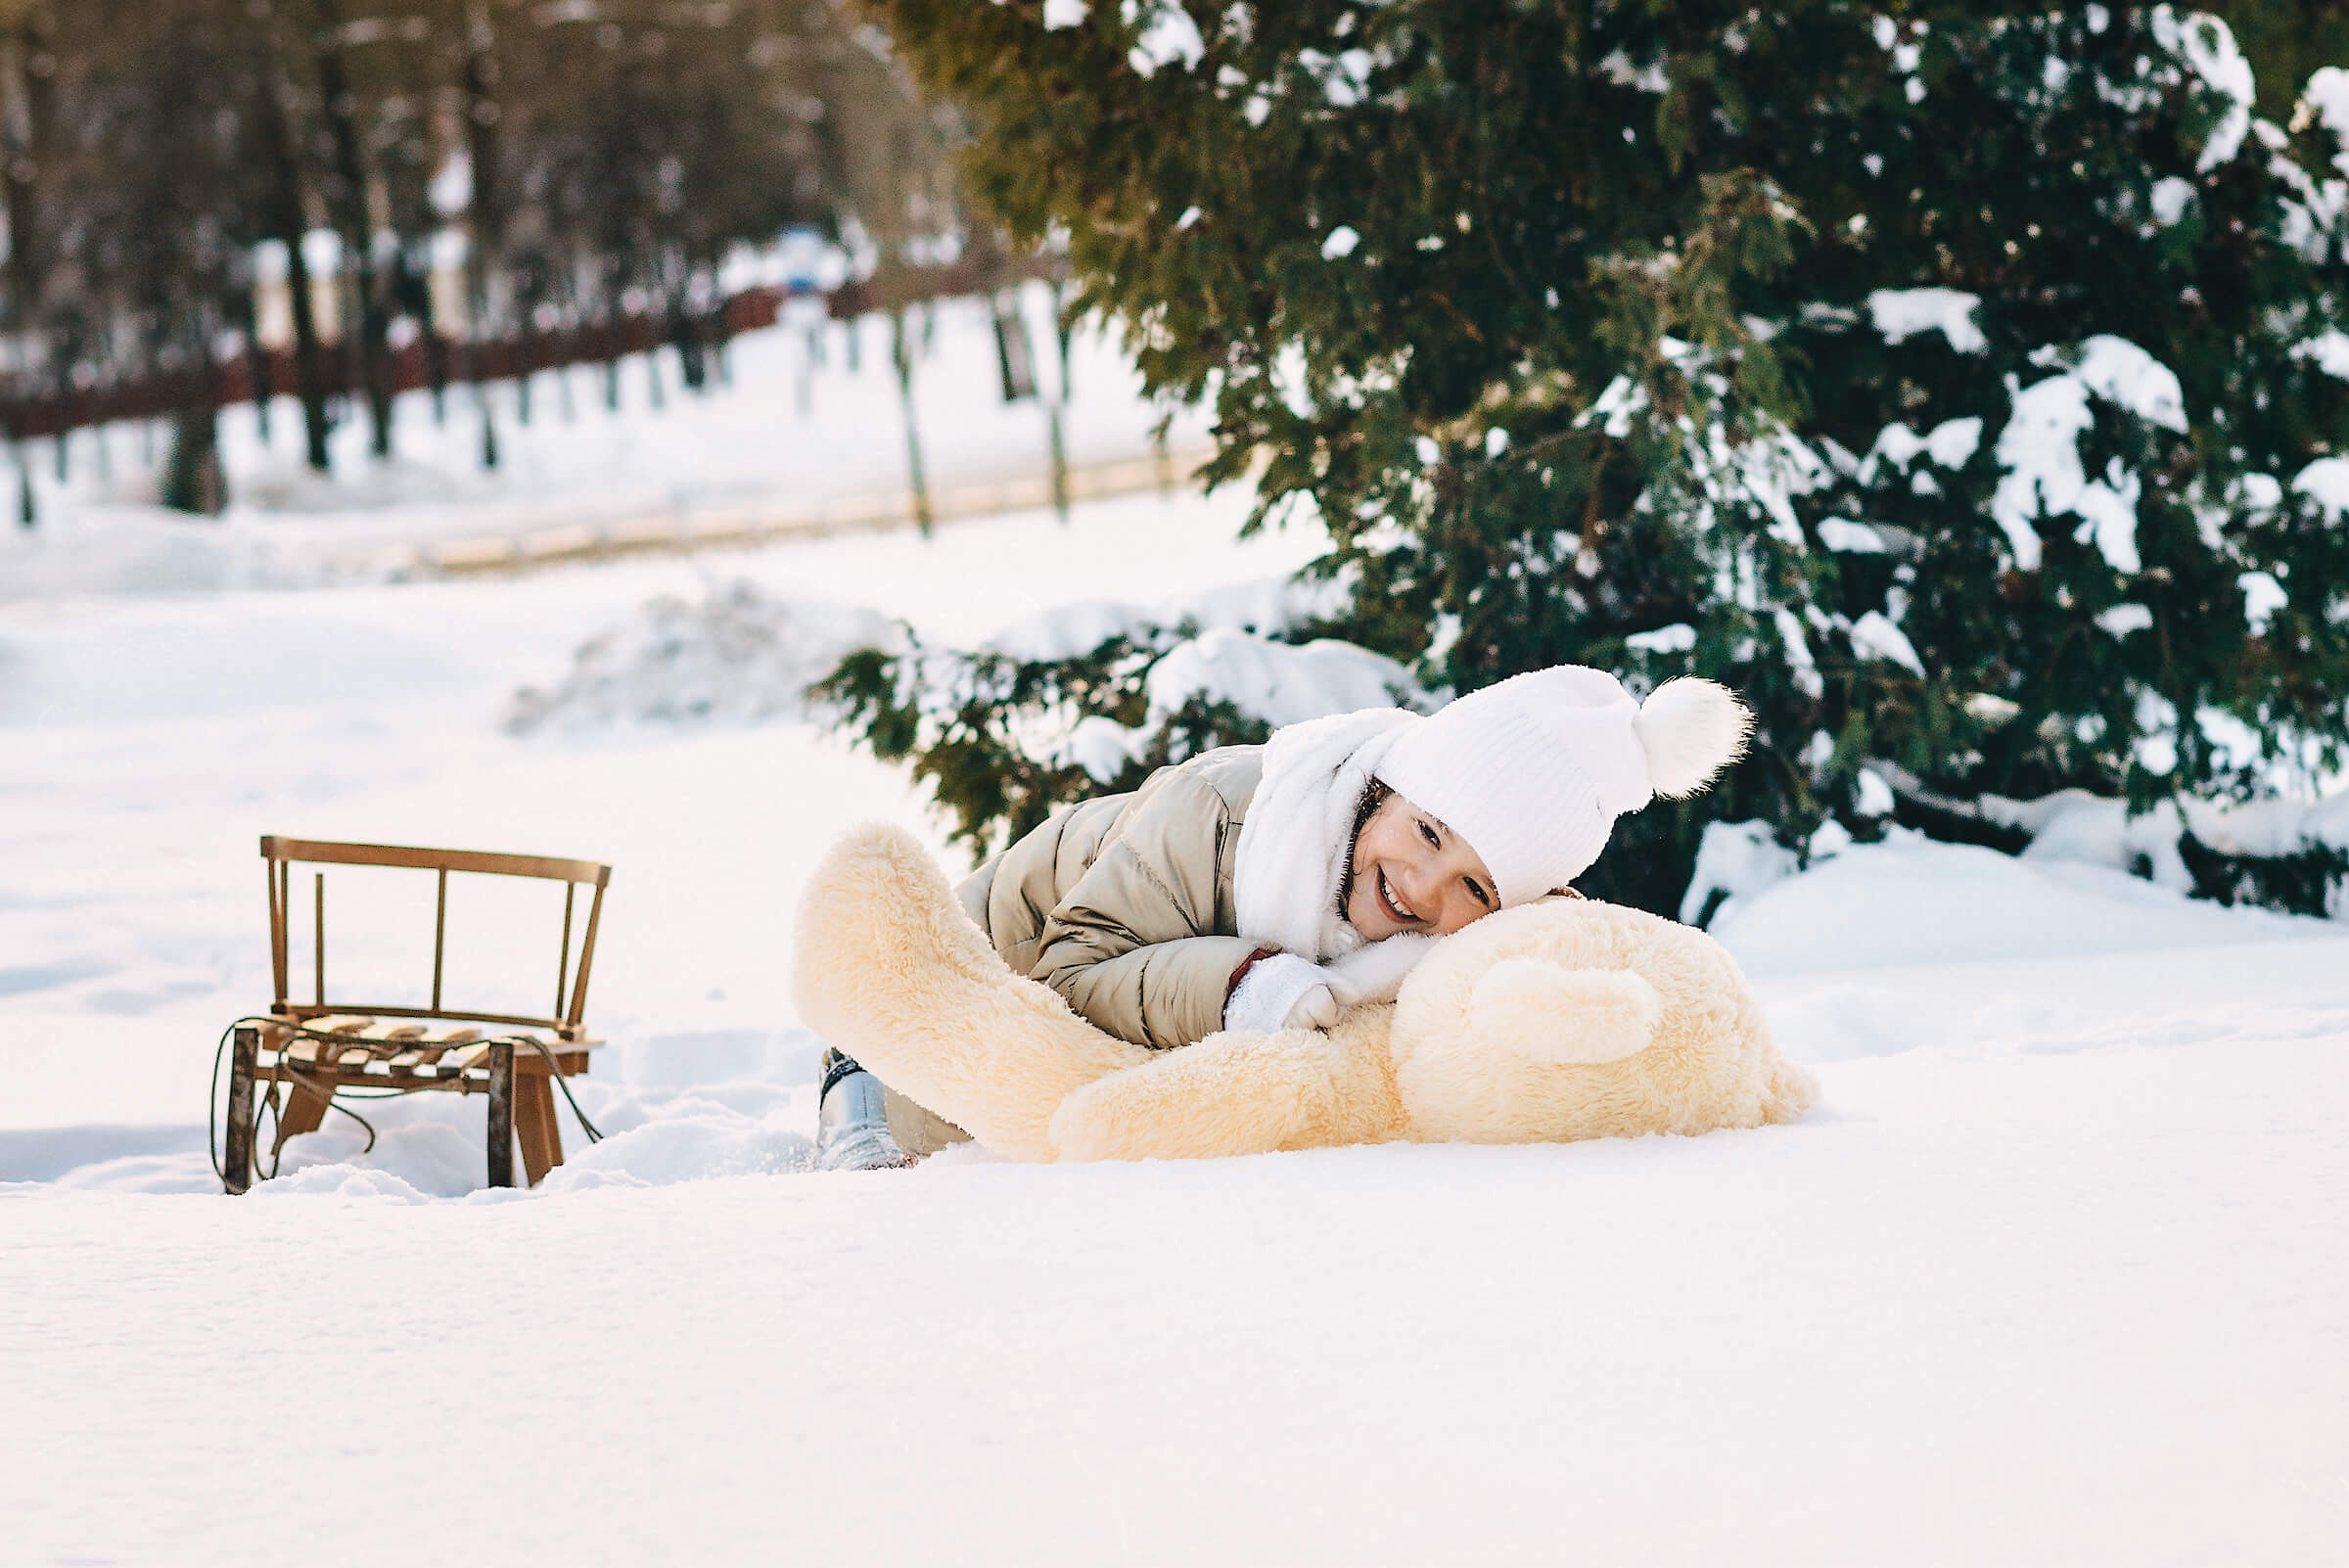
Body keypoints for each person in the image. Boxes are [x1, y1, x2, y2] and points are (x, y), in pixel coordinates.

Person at [814, 664, 1752, 1170]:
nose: (1425, 891)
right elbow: (1068, 978)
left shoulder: (1452, 919)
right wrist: (1244, 986)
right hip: (986, 972)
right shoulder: (1224, 813)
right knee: (953, 1143)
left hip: (1124, 1010)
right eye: (1428, 832)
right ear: (1385, 786)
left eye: (1477, 889)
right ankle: (850, 1087)